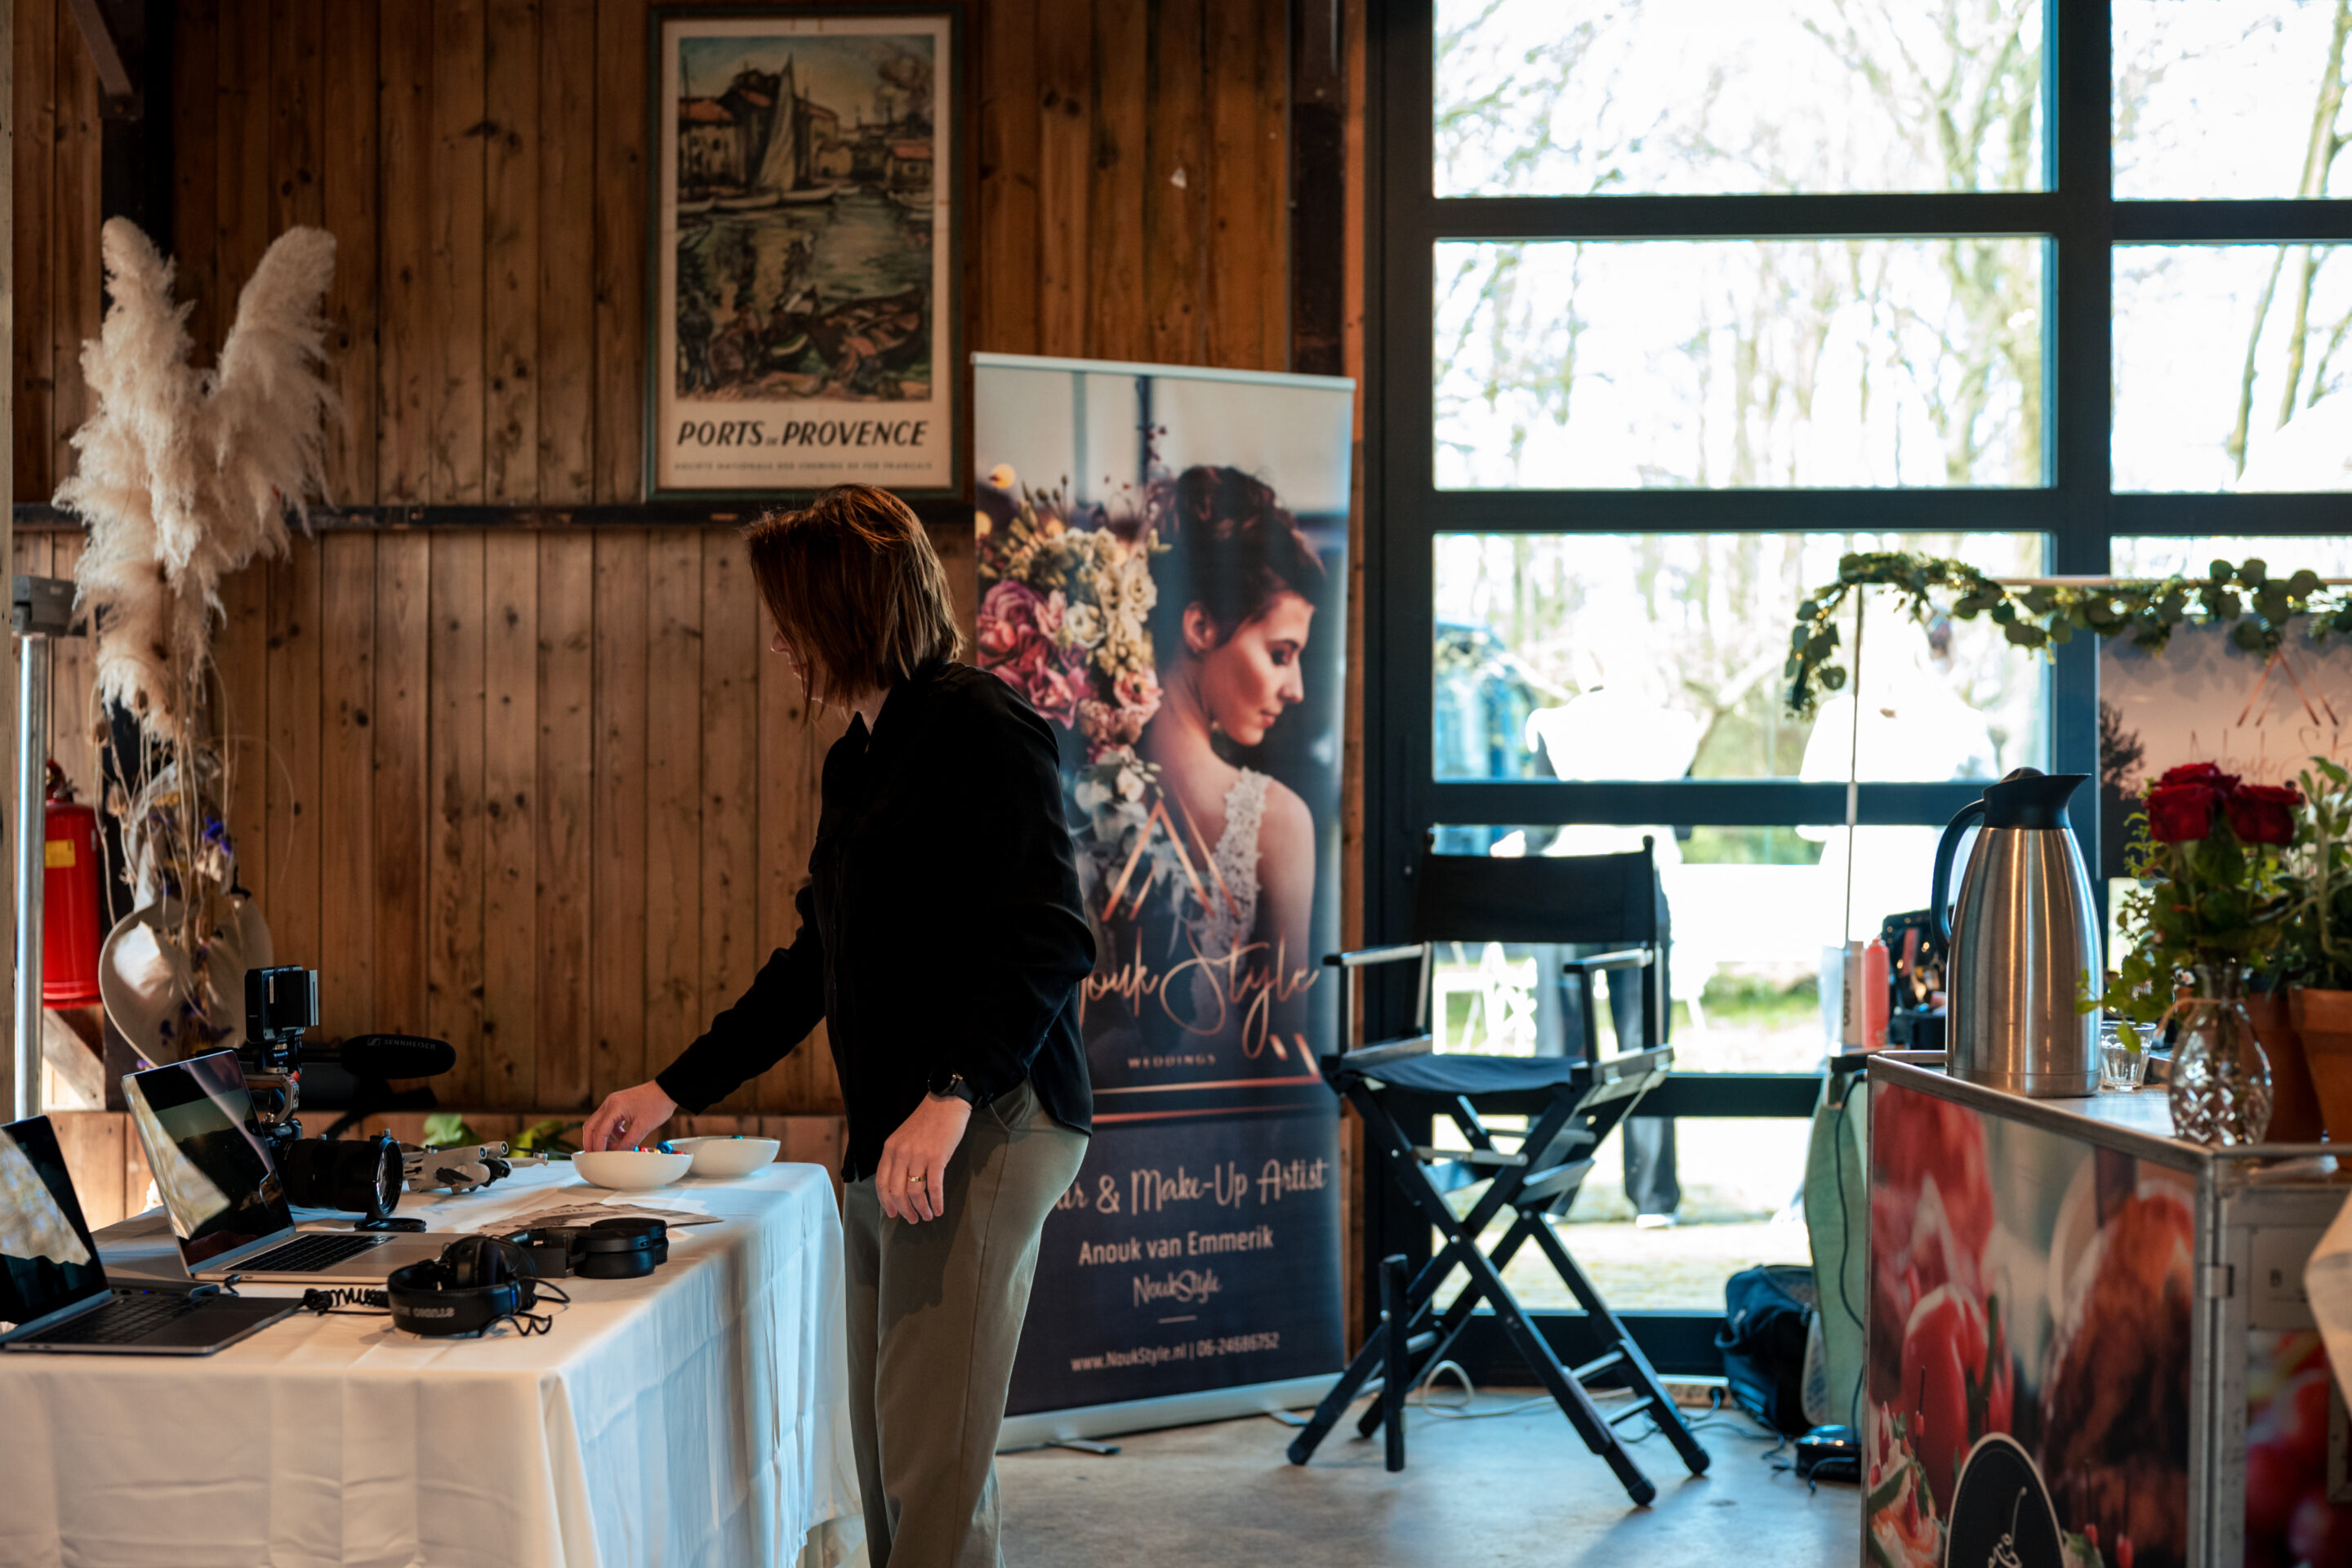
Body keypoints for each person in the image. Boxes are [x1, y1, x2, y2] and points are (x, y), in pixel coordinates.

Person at [584, 484, 1094, 1568]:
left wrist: (950, 1098)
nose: (776, 644)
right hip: (899, 1127)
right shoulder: (858, 759)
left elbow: (1051, 938)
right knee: (896, 1459)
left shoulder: (982, 726)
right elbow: (815, 962)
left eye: (790, 619)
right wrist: (673, 1087)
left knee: (927, 1469)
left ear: (849, 613)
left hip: (989, 1120)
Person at [1136, 466, 1324, 1062]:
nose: (1295, 688)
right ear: (1199, 625)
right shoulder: (1281, 822)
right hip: (1233, 1142)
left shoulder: (1073, 789)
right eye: (1279, 654)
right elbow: (1283, 1043)